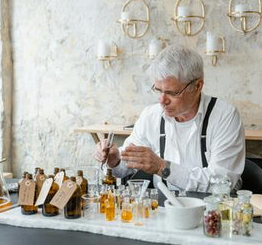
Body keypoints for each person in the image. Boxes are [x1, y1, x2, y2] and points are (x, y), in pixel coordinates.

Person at [93, 44, 245, 192]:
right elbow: (126, 165)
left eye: (172, 93)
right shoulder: (151, 116)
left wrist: (162, 168)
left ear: (198, 86)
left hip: (212, 211)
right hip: (164, 208)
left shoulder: (225, 117)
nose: (162, 100)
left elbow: (221, 184)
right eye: (158, 90)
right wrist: (114, 160)